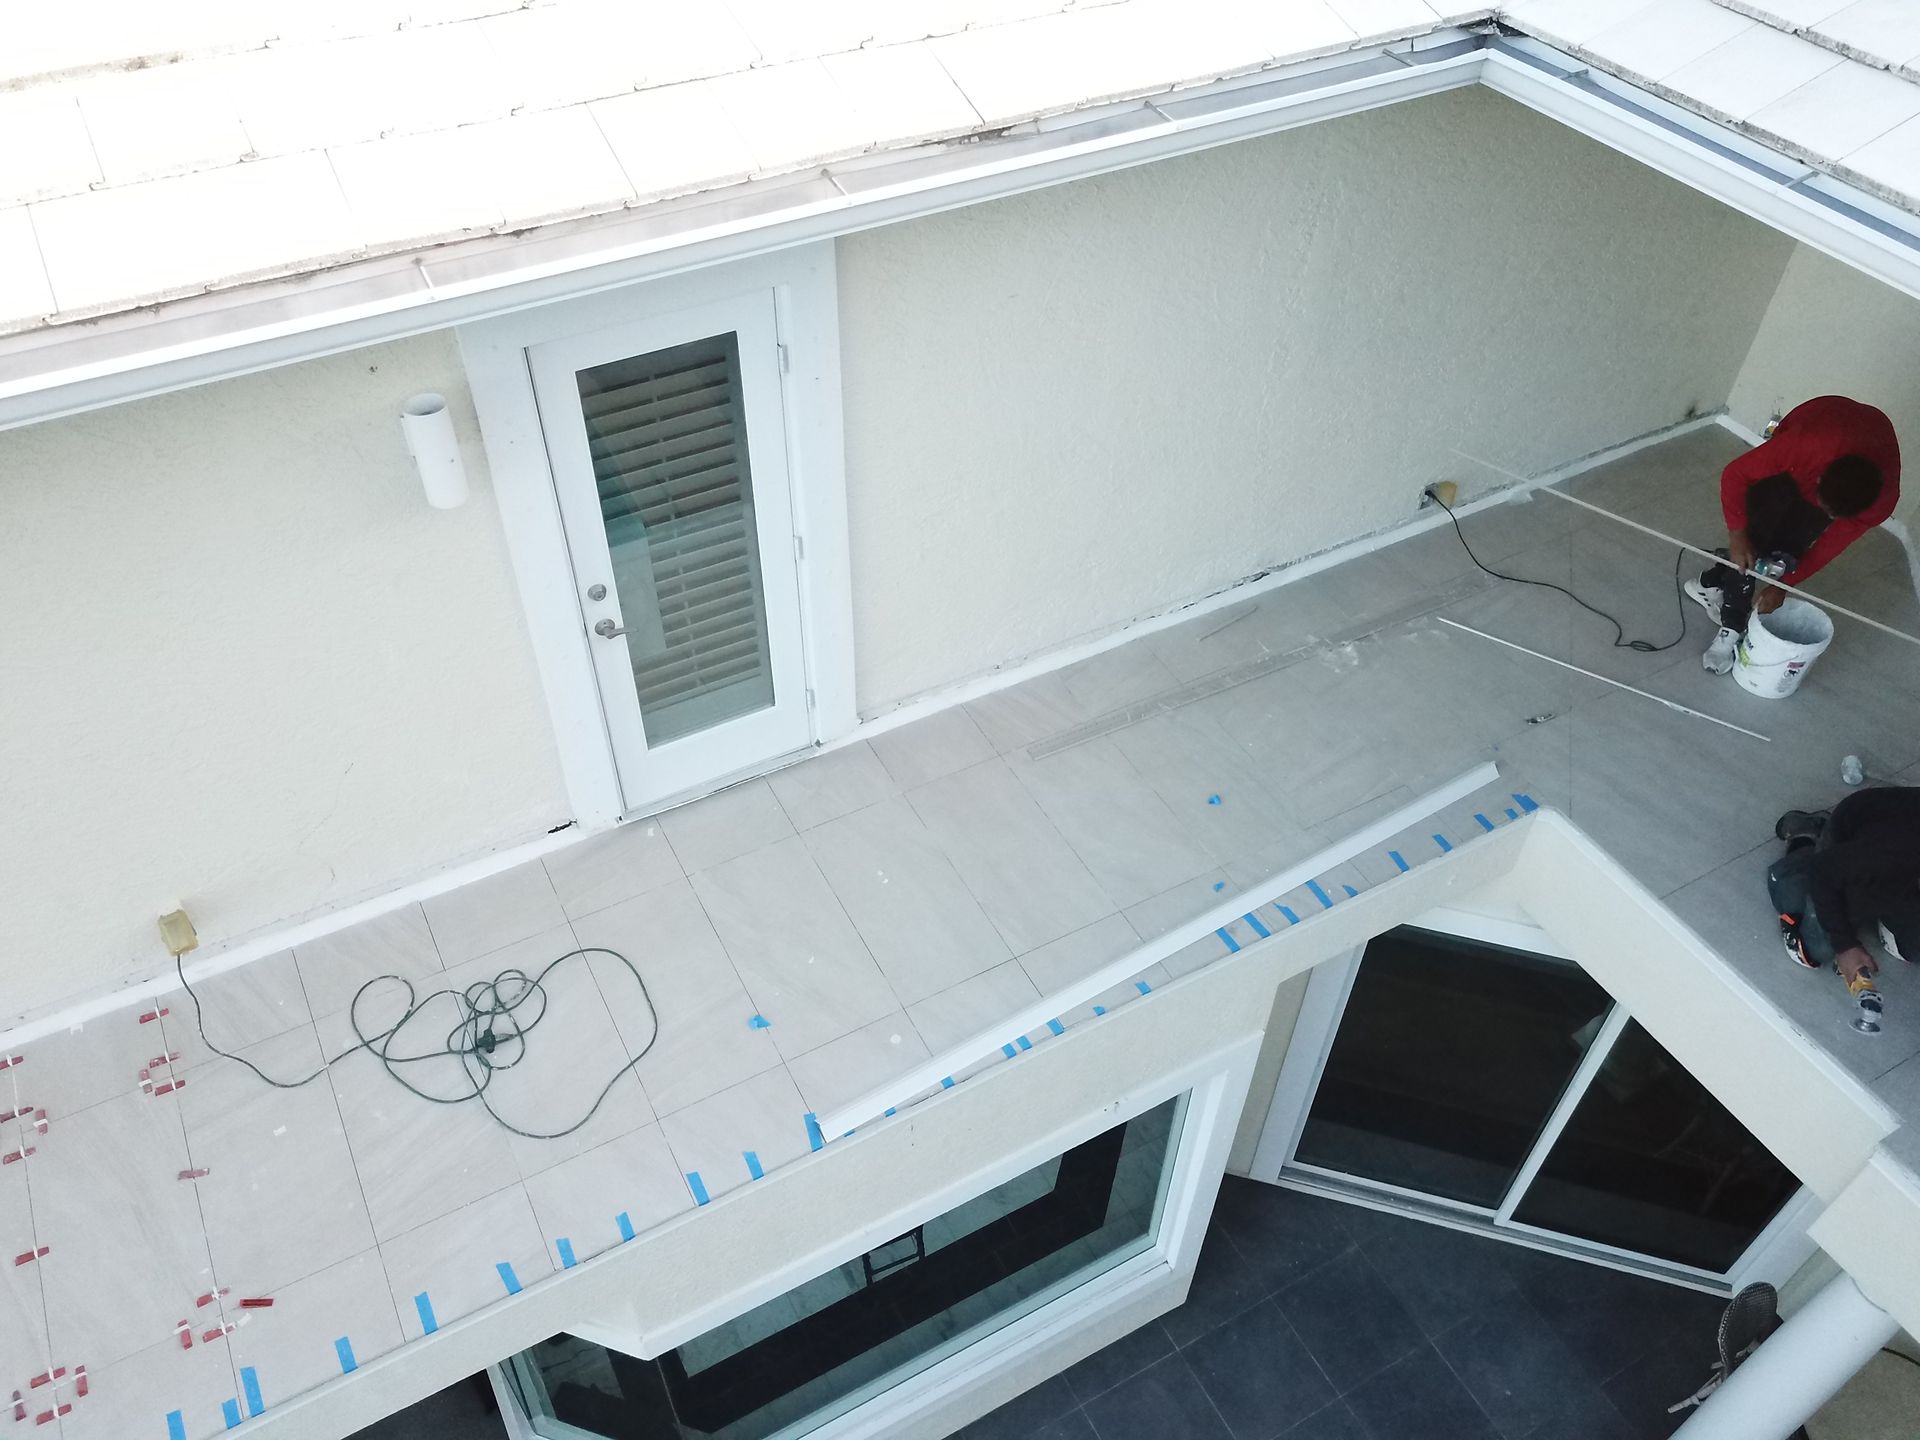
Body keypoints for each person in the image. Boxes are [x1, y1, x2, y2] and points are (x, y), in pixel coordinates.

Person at [1686, 396, 1900, 674]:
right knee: (1755, 534)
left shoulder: (1881, 502)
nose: (1829, 519)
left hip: (1848, 452)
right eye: (1827, 509)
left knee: (1787, 552)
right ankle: (1732, 627)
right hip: (1813, 436)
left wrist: (1785, 583)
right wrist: (1737, 533)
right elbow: (1735, 474)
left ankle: (1709, 582)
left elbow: (1826, 547)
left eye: (1834, 517)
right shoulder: (1805, 447)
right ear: (1819, 480)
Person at [1768, 789, 1920, 1007]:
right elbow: (1824, 872)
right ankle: (1805, 839)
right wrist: (1845, 946)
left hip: (1894, 869)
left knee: (1912, 947)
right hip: (1853, 835)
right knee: (1815, 947)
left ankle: (1889, 912)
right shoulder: (1897, 849)